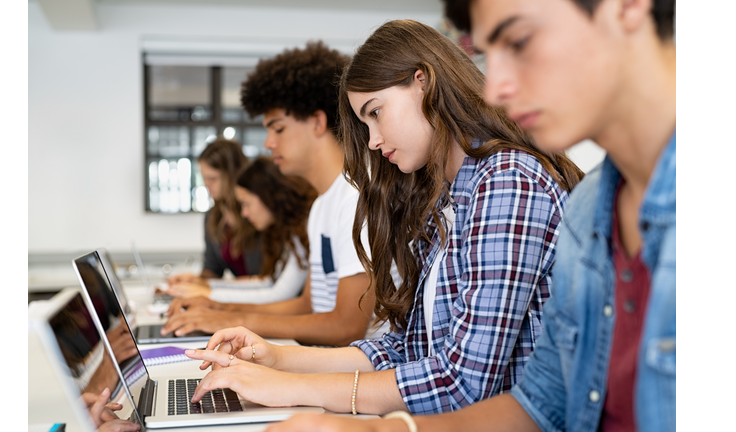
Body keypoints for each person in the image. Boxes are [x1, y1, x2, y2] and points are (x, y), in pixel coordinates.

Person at [265, 0, 676, 430]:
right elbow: (540, 401)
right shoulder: (591, 204)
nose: (495, 86)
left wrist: (300, 388)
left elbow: (464, 381)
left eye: (518, 41)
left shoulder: (510, 177)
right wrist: (284, 366)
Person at [182, 19, 583, 417]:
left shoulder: (506, 182)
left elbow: (461, 383)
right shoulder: (444, 196)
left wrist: (288, 387)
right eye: (364, 123)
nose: (372, 140)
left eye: (376, 112)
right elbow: (406, 348)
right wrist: (277, 359)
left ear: (422, 83)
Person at [161, 41, 378, 347]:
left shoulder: (356, 198)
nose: (268, 143)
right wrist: (221, 309)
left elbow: (346, 326)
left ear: (317, 123)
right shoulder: (322, 207)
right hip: (324, 362)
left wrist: (230, 320)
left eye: (277, 129)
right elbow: (308, 305)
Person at [164, 156, 317, 304]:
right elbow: (268, 282)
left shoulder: (304, 229)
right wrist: (206, 286)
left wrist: (208, 294)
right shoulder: (290, 231)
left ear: (267, 196)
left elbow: (279, 294)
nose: (244, 213)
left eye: (246, 204)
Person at [167, 138, 262, 291]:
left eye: (212, 179)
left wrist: (214, 286)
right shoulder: (213, 216)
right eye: (204, 178)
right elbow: (213, 270)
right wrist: (194, 280)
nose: (206, 185)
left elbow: (267, 281)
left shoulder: (258, 213)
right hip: (240, 299)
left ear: (233, 175)